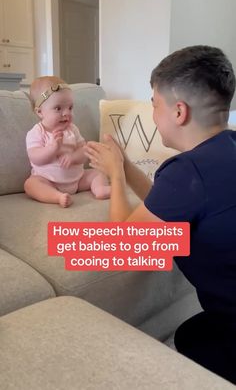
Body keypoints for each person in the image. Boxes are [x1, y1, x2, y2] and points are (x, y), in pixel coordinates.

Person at [85, 45, 236, 384]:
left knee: (190, 341)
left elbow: (122, 249)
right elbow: (172, 208)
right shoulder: (225, 151)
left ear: (178, 111)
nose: (153, 115)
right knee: (194, 332)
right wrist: (123, 163)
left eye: (154, 105)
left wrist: (117, 176)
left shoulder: (189, 171)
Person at [24, 76, 110, 207]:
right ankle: (57, 196)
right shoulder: (36, 132)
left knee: (97, 173)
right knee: (30, 185)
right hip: (49, 181)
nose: (66, 113)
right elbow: (35, 158)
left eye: (70, 108)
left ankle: (100, 189)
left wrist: (74, 156)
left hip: (77, 180)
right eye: (58, 108)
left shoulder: (72, 129)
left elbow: (84, 150)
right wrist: (52, 148)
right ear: (40, 112)